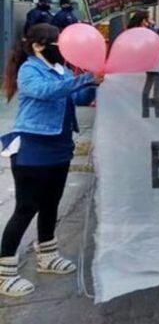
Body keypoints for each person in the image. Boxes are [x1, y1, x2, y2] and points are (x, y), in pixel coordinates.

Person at [0, 24, 100, 297]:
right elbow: (46, 91)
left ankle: (47, 253)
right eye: (59, 43)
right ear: (38, 45)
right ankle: (4, 270)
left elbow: (75, 96)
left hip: (60, 146)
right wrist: (86, 77)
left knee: (50, 203)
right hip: (33, 148)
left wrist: (94, 85)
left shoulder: (62, 70)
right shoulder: (29, 69)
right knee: (26, 207)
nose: (63, 48)